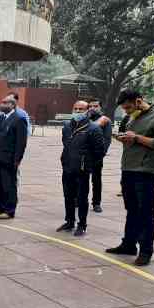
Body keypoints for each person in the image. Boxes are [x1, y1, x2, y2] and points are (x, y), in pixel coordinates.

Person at [106, 90, 154, 266]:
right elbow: (132, 139)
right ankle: (128, 244)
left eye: (128, 107)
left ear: (138, 101)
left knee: (145, 212)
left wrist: (136, 137)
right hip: (128, 168)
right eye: (124, 109)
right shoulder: (131, 117)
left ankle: (146, 251)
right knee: (132, 210)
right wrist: (123, 138)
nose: (126, 112)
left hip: (146, 171)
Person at [57, 100, 106, 236]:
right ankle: (69, 221)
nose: (78, 112)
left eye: (81, 109)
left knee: (82, 198)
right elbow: (66, 145)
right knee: (68, 196)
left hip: (82, 170)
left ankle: (82, 224)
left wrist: (87, 165)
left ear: (87, 111)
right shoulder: (67, 126)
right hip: (67, 168)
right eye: (76, 109)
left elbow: (99, 152)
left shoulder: (93, 128)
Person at [0, 96, 28, 219]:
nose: (2, 104)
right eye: (2, 102)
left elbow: (21, 143)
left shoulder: (19, 119)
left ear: (12, 105)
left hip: (9, 159)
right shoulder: (0, 118)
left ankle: (9, 210)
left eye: (5, 103)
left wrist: (17, 160)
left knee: (8, 185)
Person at [87, 98, 112, 213]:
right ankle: (79, 199)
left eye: (95, 106)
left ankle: (96, 203)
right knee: (81, 179)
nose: (93, 108)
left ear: (100, 107)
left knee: (96, 180)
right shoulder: (85, 118)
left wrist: (101, 154)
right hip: (84, 154)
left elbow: (107, 140)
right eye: (91, 106)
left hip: (97, 156)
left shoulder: (105, 121)